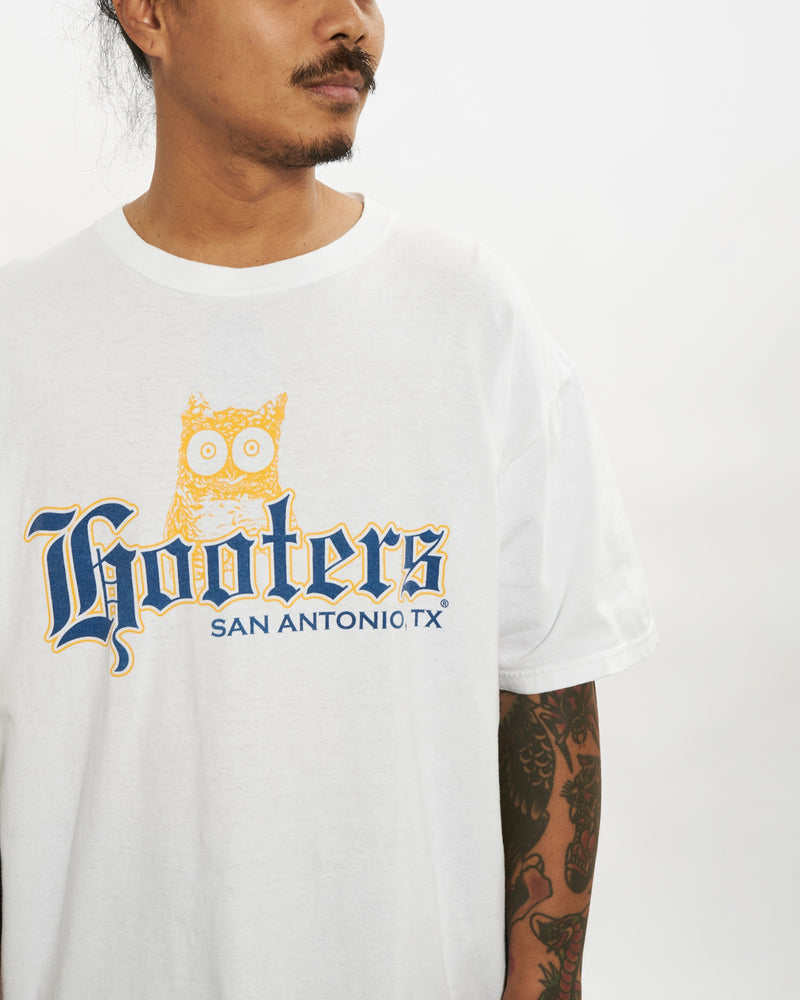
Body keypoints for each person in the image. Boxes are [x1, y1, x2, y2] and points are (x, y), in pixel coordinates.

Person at [0, 1, 657, 997]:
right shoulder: (22, 346)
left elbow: (547, 701)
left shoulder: (467, 317)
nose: (351, 21)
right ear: (148, 14)